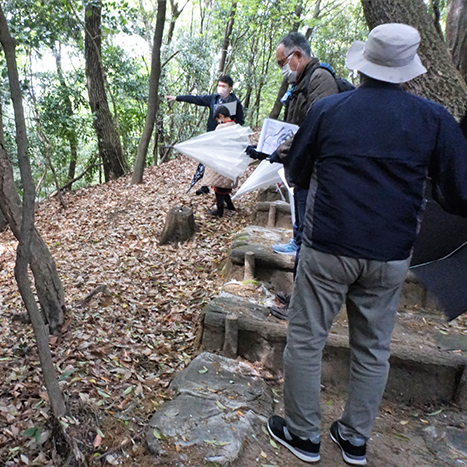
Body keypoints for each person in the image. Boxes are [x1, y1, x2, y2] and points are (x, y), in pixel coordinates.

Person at [266, 23, 467, 465]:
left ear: (364, 66)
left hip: (327, 247)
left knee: (306, 338)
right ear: (409, 71)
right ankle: (354, 438)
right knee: (374, 347)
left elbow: (297, 173)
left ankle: (302, 434)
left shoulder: (329, 110)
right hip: (391, 254)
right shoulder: (434, 120)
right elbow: (458, 192)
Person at [246, 31, 340, 319]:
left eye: (282, 62)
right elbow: (293, 127)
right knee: (302, 228)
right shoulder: (299, 84)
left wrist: (282, 152)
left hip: (316, 170)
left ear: (298, 55)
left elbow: (317, 125)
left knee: (310, 236)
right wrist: (267, 151)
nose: (282, 69)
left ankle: (300, 305)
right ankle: (298, 293)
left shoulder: (320, 79)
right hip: (301, 167)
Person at [167, 75, 245, 192]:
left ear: (230, 88)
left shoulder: (236, 102)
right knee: (206, 159)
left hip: (226, 139)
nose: (221, 88)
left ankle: (223, 189)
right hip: (212, 134)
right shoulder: (213, 99)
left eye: (223, 86)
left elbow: (241, 121)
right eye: (219, 85)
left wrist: (229, 124)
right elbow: (197, 99)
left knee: (221, 163)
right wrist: (178, 98)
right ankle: (204, 185)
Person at [199, 106, 239, 217]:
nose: (218, 122)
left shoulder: (221, 128)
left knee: (218, 186)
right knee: (225, 186)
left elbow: (214, 143)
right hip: (231, 162)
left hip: (220, 161)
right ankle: (230, 206)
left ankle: (219, 210)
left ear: (220, 116)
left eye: (217, 119)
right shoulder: (235, 126)